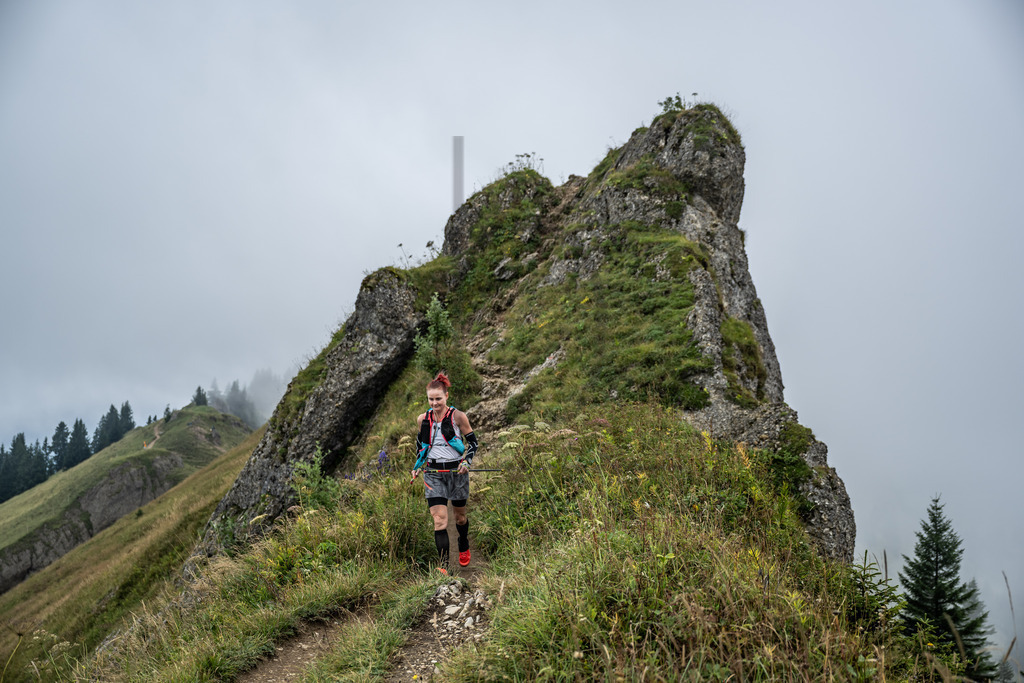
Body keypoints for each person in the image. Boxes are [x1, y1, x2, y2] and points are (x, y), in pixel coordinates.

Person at [412, 371, 478, 574]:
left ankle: (464, 543)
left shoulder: (458, 417)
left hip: (457, 472)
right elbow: (420, 445)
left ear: (446, 396)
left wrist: (466, 462)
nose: (434, 403)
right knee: (439, 520)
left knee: (460, 518)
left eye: (438, 399)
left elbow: (473, 443)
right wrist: (416, 467)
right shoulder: (423, 419)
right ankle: (444, 567)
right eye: (431, 399)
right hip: (432, 472)